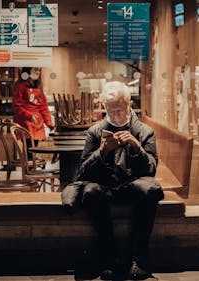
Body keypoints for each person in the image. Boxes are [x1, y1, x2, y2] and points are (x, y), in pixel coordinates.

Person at [76, 81, 164, 280]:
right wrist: (102, 152)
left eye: (120, 110)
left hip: (132, 186)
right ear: (104, 108)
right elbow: (82, 172)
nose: (115, 116)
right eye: (110, 111)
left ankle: (138, 260)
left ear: (129, 104)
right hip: (106, 187)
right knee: (90, 192)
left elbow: (151, 169)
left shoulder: (144, 131)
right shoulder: (95, 132)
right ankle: (108, 258)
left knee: (148, 191)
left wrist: (136, 147)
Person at [12, 67, 54, 143]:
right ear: (28, 70)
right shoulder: (20, 86)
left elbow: (43, 107)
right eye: (35, 70)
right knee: (29, 149)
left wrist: (50, 124)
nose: (38, 72)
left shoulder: (38, 87)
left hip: (38, 123)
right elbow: (17, 107)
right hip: (25, 123)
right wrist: (29, 116)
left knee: (34, 149)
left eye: (39, 70)